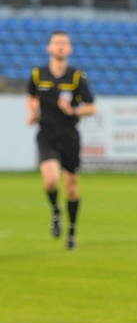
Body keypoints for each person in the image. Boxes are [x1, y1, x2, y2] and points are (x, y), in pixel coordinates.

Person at [26, 30, 96, 250]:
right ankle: (56, 211)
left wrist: (73, 110)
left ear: (70, 49)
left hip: (69, 137)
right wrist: (33, 111)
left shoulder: (76, 77)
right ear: (49, 47)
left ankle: (72, 231)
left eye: (64, 43)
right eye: (56, 42)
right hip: (46, 134)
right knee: (50, 180)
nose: (60, 46)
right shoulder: (38, 74)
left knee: (72, 188)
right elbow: (31, 96)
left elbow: (91, 107)